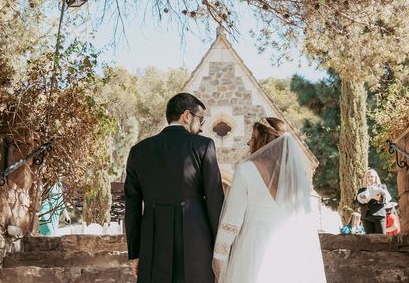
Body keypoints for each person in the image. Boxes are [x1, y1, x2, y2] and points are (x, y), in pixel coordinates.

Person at [124, 92, 225, 283]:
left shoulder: (138, 151)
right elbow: (215, 200)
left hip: (152, 245)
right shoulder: (203, 146)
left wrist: (135, 254)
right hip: (195, 243)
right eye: (200, 120)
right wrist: (220, 251)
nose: (201, 128)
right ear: (187, 116)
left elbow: (132, 207)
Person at [213, 117, 327, 283]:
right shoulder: (295, 176)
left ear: (263, 139)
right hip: (289, 247)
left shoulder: (245, 170)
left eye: (253, 136)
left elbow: (232, 219)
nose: (249, 142)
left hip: (254, 246)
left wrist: (219, 255)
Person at [354, 168, 392, 234]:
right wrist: (363, 201)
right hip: (366, 217)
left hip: (379, 216)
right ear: (365, 179)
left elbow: (387, 199)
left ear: (375, 177)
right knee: (369, 240)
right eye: (368, 177)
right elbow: (355, 203)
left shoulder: (382, 187)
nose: (370, 178)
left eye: (371, 176)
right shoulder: (361, 190)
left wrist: (379, 199)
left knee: (381, 238)